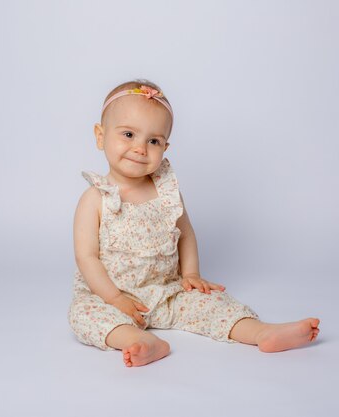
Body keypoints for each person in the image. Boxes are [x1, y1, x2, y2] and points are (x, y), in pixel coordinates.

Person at [68, 79, 320, 367]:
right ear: (100, 136)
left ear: (165, 146)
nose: (140, 148)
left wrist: (190, 273)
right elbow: (86, 257)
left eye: (153, 141)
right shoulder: (95, 198)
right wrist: (114, 298)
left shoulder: (166, 192)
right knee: (82, 314)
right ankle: (137, 340)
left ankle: (262, 332)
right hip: (110, 295)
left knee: (211, 302)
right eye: (128, 134)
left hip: (166, 291)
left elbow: (185, 234)